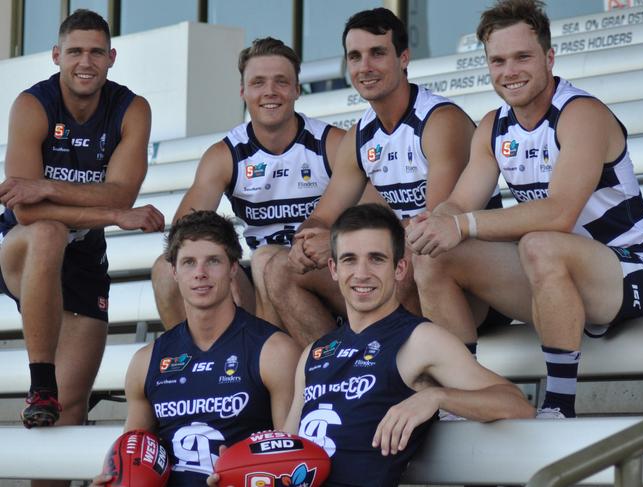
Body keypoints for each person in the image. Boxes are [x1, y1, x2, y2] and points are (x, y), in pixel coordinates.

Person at [405, 0, 643, 419]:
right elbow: (460, 202)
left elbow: (559, 214)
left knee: (541, 242)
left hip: (627, 267)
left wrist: (461, 224)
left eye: (522, 57)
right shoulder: (492, 126)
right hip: (554, 274)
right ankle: (461, 396)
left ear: (549, 58)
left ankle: (558, 406)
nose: (510, 71)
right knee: (433, 255)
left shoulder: (580, 114)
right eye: (498, 60)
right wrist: (435, 221)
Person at [265, 8, 501, 346]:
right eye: (355, 57)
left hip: (466, 284)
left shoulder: (439, 120)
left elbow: (433, 227)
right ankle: (340, 370)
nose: (365, 67)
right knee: (279, 269)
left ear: (403, 58)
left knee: (410, 257)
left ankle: (393, 376)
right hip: (403, 269)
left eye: (377, 53)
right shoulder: (359, 135)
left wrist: (334, 237)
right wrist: (309, 241)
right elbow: (322, 216)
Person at [277, 204, 533, 487]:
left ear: (399, 268)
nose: (361, 273)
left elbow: (517, 404)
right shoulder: (314, 353)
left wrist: (437, 397)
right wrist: (236, 471)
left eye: (376, 259)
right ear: (334, 269)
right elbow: (286, 455)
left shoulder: (421, 339)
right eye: (350, 260)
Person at [0, 9, 164, 434]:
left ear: (112, 57)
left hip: (85, 260)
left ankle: (50, 402)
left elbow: (123, 191)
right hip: (20, 248)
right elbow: (26, 210)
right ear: (56, 55)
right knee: (48, 231)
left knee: (69, 412)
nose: (85, 62)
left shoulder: (131, 109)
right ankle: (40, 383)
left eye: (95, 52)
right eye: (75, 51)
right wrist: (110, 214)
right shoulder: (32, 104)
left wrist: (47, 187)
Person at [151, 37, 378, 338]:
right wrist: (223, 255)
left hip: (322, 273)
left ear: (297, 89)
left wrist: (335, 243)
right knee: (167, 270)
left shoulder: (331, 143)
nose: (270, 92)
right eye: (258, 83)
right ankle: (197, 371)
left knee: (268, 260)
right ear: (243, 92)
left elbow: (378, 209)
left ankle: (331, 366)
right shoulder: (225, 155)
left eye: (281, 82)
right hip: (259, 284)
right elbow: (183, 232)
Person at [92, 211, 301, 486]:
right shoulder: (146, 361)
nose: (200, 273)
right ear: (175, 272)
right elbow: (130, 457)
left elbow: (290, 463)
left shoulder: (275, 351)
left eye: (213, 261)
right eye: (189, 262)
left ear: (233, 268)